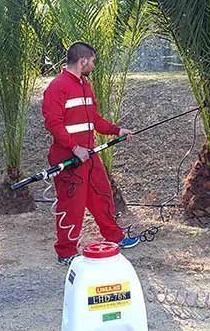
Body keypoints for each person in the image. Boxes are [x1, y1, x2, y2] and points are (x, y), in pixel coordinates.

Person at [42, 41, 139, 265]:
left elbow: (94, 120)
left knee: (102, 195)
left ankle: (115, 237)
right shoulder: (57, 87)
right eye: (92, 61)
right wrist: (75, 148)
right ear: (82, 61)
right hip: (68, 158)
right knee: (71, 206)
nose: (93, 65)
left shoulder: (85, 85)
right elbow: (53, 124)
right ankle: (66, 252)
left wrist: (117, 130)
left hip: (89, 156)